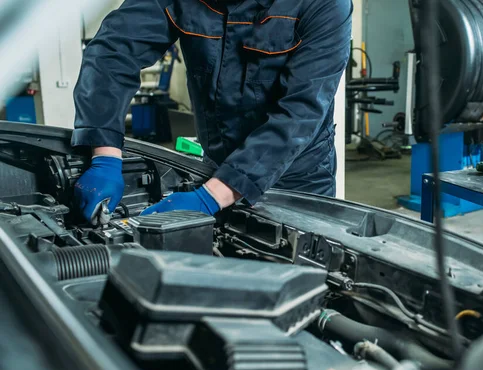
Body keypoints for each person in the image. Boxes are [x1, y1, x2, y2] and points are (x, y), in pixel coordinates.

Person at [73, 0, 352, 223]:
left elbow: (301, 112)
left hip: (297, 179)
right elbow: (112, 52)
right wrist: (105, 156)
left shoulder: (325, 4)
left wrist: (210, 197)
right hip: (216, 160)